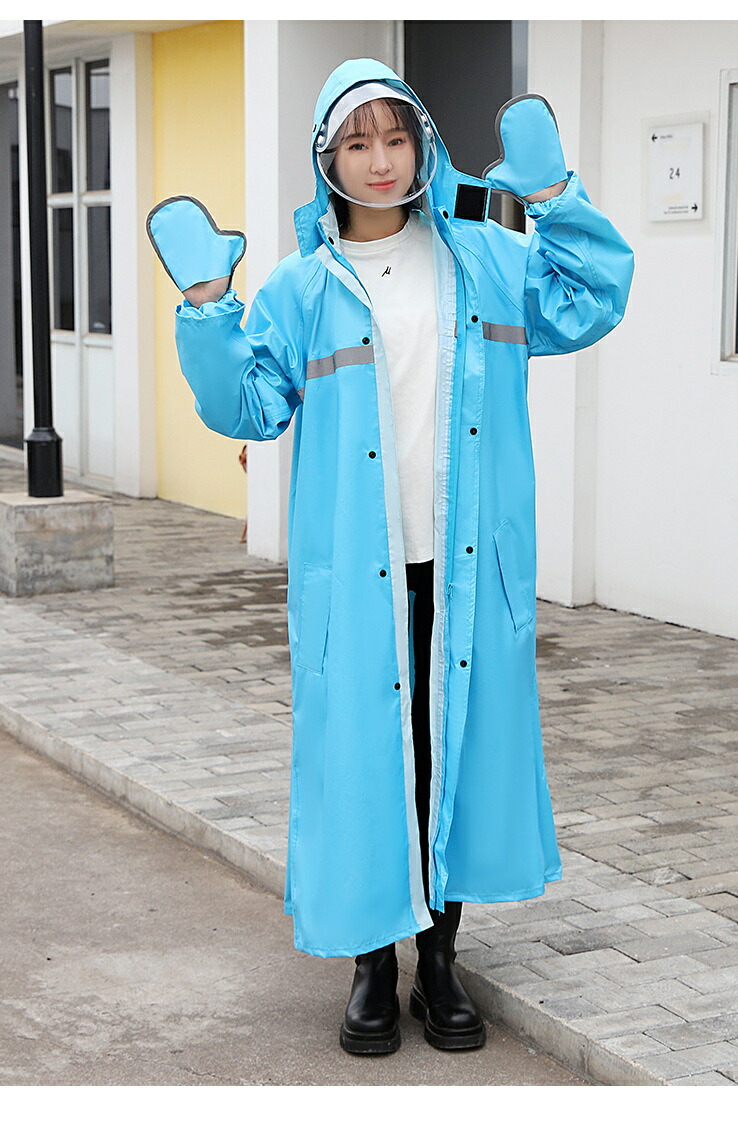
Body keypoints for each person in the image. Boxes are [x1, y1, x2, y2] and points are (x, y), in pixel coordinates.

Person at [147, 58, 634, 1057]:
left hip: (464, 570)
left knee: (452, 759)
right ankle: (372, 965)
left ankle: (440, 960)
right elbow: (247, 407)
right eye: (357, 142)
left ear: (423, 145)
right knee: (369, 766)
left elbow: (591, 298)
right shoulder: (300, 287)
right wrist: (205, 308)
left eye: (395, 136)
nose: (380, 160)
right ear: (326, 160)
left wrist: (554, 197)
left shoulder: (485, 259)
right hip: (354, 578)